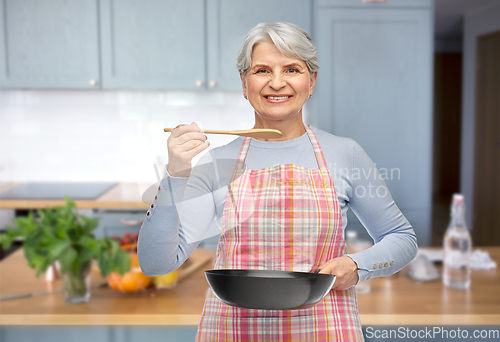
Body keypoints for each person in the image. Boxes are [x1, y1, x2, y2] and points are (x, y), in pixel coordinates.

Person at [137, 22, 418, 341]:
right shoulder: (216, 163)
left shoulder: (345, 154)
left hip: (322, 327)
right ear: (245, 84)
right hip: (233, 330)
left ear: (312, 81)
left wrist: (358, 265)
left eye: (292, 69)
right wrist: (175, 174)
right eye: (261, 70)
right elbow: (155, 263)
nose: (277, 82)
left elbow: (402, 238)